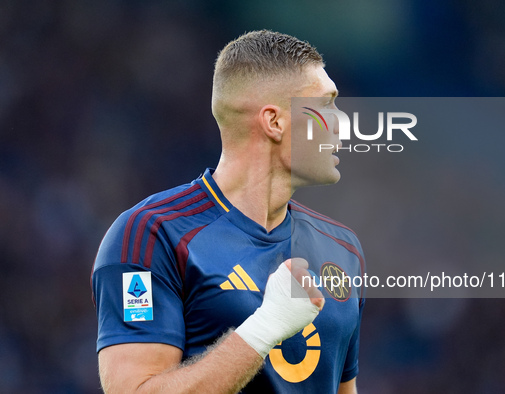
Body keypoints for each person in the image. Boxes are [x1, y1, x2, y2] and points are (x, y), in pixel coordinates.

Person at [92, 30, 365, 393]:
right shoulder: (152, 235)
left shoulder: (343, 249)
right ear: (275, 122)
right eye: (326, 105)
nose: (342, 123)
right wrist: (265, 327)